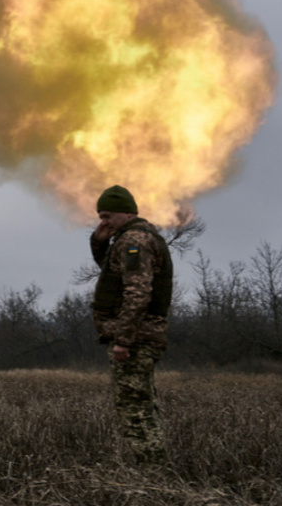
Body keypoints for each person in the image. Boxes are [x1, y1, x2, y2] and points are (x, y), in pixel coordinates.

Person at [89, 185, 173, 464]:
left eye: (107, 216)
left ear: (127, 213)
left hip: (136, 339)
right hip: (142, 336)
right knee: (141, 405)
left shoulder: (133, 240)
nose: (103, 221)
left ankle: (154, 476)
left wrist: (124, 339)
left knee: (134, 409)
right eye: (100, 217)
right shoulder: (135, 237)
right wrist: (99, 243)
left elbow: (137, 292)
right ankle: (156, 470)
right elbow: (115, 274)